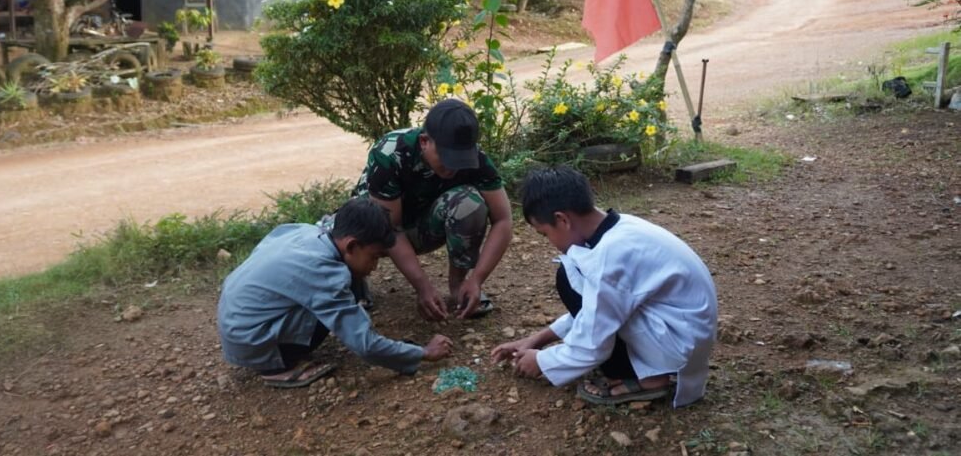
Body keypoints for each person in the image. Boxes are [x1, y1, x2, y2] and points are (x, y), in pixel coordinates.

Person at [491, 166, 718, 408]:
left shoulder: (609, 257)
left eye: (545, 234)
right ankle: (649, 367)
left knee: (568, 276)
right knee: (573, 272)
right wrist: (538, 339)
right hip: (682, 332)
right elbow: (599, 307)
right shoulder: (621, 227)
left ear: (562, 219)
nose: (551, 243)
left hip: (677, 344)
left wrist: (543, 361)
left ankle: (650, 379)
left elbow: (594, 343)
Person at [217, 199, 453, 388]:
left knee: (348, 282)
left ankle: (275, 352)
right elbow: (365, 345)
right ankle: (279, 369)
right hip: (252, 341)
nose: (375, 267)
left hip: (237, 326)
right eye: (375, 257)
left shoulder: (307, 232)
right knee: (346, 289)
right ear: (351, 245)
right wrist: (423, 353)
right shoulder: (324, 272)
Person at [347, 98, 513, 321]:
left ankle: (458, 287)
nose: (453, 167)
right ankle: (355, 278)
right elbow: (391, 228)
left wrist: (476, 279)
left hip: (424, 226)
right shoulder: (390, 152)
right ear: (425, 141)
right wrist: (422, 287)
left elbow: (503, 219)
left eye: (460, 159)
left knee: (469, 203)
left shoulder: (476, 158)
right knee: (345, 233)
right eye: (446, 159)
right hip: (381, 230)